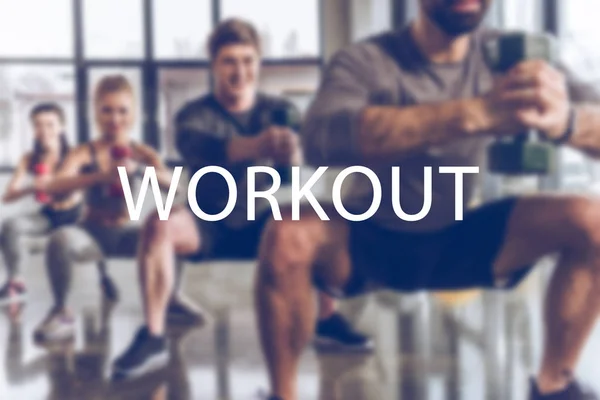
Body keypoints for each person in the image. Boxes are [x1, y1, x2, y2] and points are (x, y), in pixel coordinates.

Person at [255, 0, 600, 399]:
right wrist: (474, 114)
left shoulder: (514, 55)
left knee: (591, 219)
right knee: (286, 232)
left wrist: (567, 121)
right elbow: (321, 139)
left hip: (463, 236)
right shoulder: (366, 61)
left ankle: (555, 387)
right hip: (370, 237)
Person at [110, 18, 371, 381]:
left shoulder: (282, 110)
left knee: (318, 220)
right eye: (229, 61)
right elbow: (202, 150)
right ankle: (153, 335)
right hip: (210, 222)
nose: (240, 70)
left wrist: (292, 157)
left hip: (266, 221)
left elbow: (290, 174)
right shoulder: (193, 114)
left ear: (259, 63)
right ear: (214, 64)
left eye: (248, 60)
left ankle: (326, 319)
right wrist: (257, 145)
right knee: (158, 224)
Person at [32, 76, 202, 343]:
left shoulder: (142, 152)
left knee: (170, 229)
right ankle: (61, 311)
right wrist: (99, 177)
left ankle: (171, 299)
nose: (115, 118)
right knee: (60, 239)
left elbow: (180, 189)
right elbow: (55, 186)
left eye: (122, 110)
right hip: (92, 234)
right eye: (107, 110)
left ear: (132, 113)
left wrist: (142, 172)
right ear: (96, 112)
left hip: (126, 234)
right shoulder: (84, 152)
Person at [0, 103, 117, 305]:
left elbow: (95, 183)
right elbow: (8, 195)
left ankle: (104, 276)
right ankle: (16, 283)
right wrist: (32, 187)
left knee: (94, 233)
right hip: (48, 216)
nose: (44, 131)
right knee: (10, 226)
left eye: (50, 125)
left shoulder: (76, 155)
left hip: (75, 214)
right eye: (38, 125)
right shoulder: (30, 158)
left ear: (62, 127)